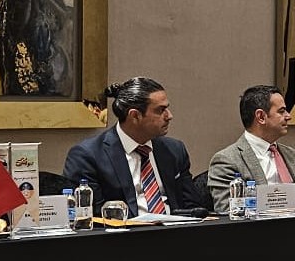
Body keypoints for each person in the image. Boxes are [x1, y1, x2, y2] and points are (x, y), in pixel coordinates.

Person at [63, 76, 210, 215]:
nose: (169, 116)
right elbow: (92, 215)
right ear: (135, 116)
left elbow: (193, 208)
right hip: (125, 231)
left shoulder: (174, 150)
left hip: (176, 230)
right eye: (160, 110)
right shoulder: (88, 156)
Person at [208, 85, 295, 212]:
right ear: (261, 117)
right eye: (281, 111)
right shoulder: (227, 160)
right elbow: (228, 210)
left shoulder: (292, 155)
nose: (288, 116)